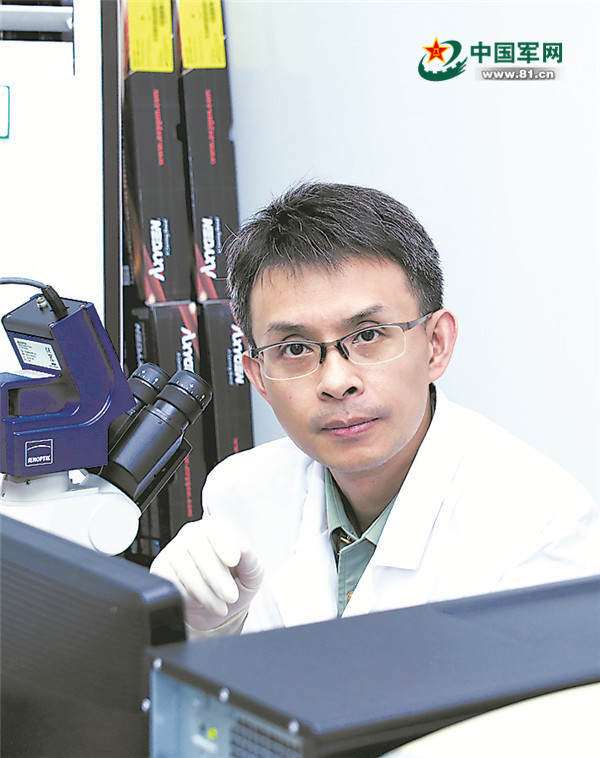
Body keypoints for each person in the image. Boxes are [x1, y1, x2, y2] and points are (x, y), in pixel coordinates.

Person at [150, 182, 598, 637]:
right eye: (295, 348)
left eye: (368, 335)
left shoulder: (541, 527)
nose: (336, 381)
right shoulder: (239, 493)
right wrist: (206, 629)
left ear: (436, 344)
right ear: (260, 376)